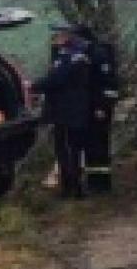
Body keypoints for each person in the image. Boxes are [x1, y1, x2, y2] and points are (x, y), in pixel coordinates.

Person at [31, 25, 92, 198]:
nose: (55, 38)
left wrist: (33, 86)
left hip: (68, 112)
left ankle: (72, 188)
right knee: (71, 149)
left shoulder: (72, 57)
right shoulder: (70, 55)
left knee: (68, 149)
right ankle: (73, 186)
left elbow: (56, 79)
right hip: (69, 111)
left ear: (67, 37)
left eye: (58, 35)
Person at [77, 25, 120, 193]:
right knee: (92, 145)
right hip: (93, 107)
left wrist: (102, 106)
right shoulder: (90, 53)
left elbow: (107, 84)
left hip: (100, 108)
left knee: (98, 145)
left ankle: (100, 185)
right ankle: (95, 181)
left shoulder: (98, 55)